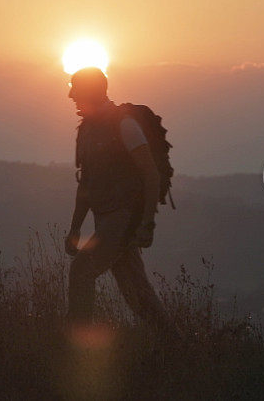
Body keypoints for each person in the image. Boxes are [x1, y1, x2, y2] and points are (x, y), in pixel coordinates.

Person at [65, 67, 176, 335]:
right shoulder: (88, 130)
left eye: (75, 89)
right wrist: (75, 227)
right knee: (137, 293)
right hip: (109, 219)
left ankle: (74, 346)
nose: (70, 95)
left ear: (91, 91)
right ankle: (177, 345)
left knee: (82, 272)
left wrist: (147, 223)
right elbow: (87, 184)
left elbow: (151, 176)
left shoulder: (124, 125)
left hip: (123, 218)